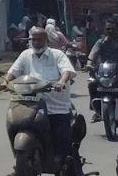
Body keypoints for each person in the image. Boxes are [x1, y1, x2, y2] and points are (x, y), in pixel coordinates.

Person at [8, 25, 78, 163]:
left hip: (55, 106)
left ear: (46, 40)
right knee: (14, 126)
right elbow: (13, 71)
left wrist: (62, 82)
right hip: (30, 103)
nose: (35, 42)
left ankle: (68, 165)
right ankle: (20, 162)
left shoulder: (57, 55)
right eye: (33, 40)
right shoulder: (25, 54)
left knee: (62, 137)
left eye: (39, 40)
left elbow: (67, 71)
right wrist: (5, 82)